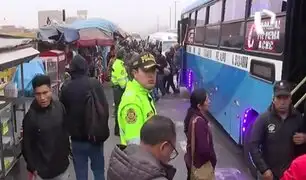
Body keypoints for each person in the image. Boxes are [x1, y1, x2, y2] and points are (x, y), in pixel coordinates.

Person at [60, 55, 109, 180]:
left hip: (77, 139)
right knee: (98, 170)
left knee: (81, 171)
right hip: (95, 136)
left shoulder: (66, 88)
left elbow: (63, 112)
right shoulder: (94, 84)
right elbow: (104, 108)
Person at [250, 80, 306, 180]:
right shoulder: (263, 119)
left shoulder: (298, 118)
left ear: (290, 99)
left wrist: (305, 139)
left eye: (285, 97)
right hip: (268, 175)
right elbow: (253, 146)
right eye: (279, 98)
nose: (282, 102)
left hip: (289, 175)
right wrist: (264, 169)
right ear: (273, 99)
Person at [22, 75, 70, 180]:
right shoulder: (30, 117)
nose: (42, 98)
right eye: (38, 94)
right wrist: (33, 168)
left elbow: (65, 132)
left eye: (45, 93)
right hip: (42, 174)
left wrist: (67, 153)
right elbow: (26, 146)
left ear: (51, 90)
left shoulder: (59, 107)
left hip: (62, 169)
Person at [107, 115, 177, 180]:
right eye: (171, 151)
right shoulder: (156, 177)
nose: (169, 159)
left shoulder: (119, 159)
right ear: (163, 147)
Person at [118, 52, 158, 145]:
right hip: (141, 158)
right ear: (135, 73)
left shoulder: (143, 93)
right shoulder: (133, 101)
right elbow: (135, 144)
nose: (151, 75)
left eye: (153, 70)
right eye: (146, 71)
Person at [184, 88, 216, 180]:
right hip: (201, 166)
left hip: (193, 162)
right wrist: (212, 160)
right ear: (199, 105)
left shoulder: (192, 116)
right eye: (206, 100)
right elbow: (204, 149)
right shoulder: (200, 122)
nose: (209, 101)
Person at [111, 48, 129, 136]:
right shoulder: (119, 65)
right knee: (119, 109)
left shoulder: (119, 64)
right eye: (125, 54)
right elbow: (122, 82)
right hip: (119, 90)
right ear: (122, 55)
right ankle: (118, 130)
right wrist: (127, 87)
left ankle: (118, 129)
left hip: (118, 89)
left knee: (119, 109)